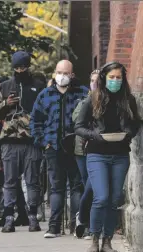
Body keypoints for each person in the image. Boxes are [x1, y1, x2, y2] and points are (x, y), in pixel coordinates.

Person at [75, 61, 140, 252]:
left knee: (114, 199)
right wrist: (95, 136)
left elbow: (135, 124)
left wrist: (128, 132)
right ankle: (94, 238)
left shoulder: (128, 100)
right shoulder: (92, 99)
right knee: (101, 197)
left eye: (118, 77)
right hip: (97, 153)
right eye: (111, 77)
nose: (115, 80)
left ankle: (107, 241)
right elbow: (79, 127)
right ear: (104, 78)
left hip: (120, 154)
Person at [30, 60, 88, 238]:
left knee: (77, 187)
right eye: (59, 72)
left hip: (76, 147)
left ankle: (79, 226)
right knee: (56, 187)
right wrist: (44, 142)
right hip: (53, 148)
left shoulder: (83, 93)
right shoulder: (45, 95)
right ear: (55, 73)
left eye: (65, 73)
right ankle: (54, 227)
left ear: (72, 75)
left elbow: (91, 118)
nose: (61, 76)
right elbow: (35, 121)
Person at [0, 51, 46, 233]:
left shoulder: (38, 86)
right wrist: (6, 104)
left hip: (31, 141)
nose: (20, 70)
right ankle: (8, 218)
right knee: (10, 182)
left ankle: (32, 217)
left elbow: (45, 112)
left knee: (32, 181)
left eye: (23, 67)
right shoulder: (5, 86)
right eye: (17, 67)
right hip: (9, 141)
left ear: (28, 66)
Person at [73, 69, 100, 239]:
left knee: (93, 188)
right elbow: (76, 119)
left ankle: (84, 219)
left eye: (98, 80)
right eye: (92, 80)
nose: (95, 83)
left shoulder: (109, 100)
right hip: (81, 150)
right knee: (87, 187)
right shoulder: (83, 100)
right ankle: (89, 223)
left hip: (99, 149)